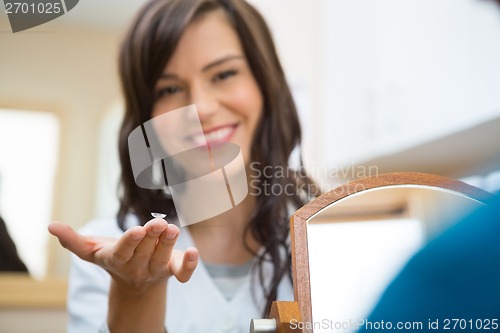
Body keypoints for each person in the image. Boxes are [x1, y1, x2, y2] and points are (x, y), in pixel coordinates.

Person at [48, 0, 316, 332]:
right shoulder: (105, 248)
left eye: (224, 74)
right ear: (147, 116)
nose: (200, 108)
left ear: (265, 84)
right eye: (170, 88)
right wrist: (135, 292)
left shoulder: (328, 238)